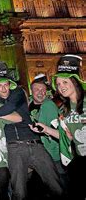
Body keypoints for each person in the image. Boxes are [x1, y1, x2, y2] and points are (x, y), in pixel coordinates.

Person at [0, 61, 63, 200]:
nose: (3, 88)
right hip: (13, 147)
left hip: (35, 143)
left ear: (9, 84)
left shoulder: (18, 93)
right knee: (19, 192)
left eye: (6, 84)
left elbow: (10, 107)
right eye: (0, 85)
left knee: (55, 185)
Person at [31, 55, 85, 200]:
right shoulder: (63, 110)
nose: (61, 87)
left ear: (75, 82)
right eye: (59, 83)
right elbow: (64, 136)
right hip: (77, 160)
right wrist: (45, 129)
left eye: (65, 82)